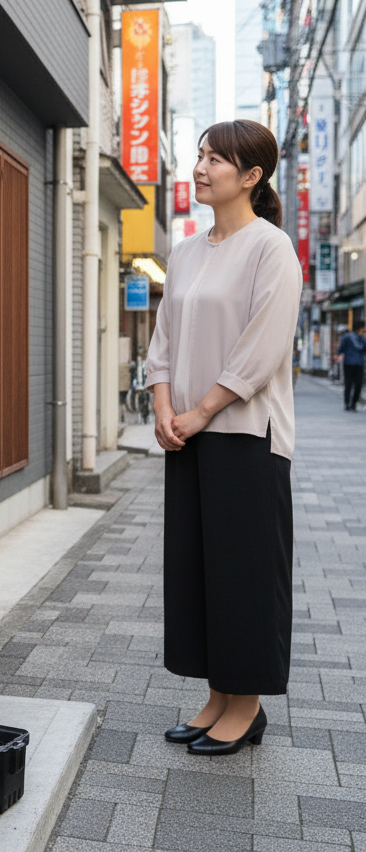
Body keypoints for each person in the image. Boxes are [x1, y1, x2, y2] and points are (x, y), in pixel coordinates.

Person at [146, 120, 302, 755]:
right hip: (187, 432)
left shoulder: (272, 249)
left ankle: (249, 706)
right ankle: (217, 697)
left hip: (245, 435)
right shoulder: (185, 250)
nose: (200, 168)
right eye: (200, 156)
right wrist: (163, 407)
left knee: (244, 573)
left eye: (216, 159)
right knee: (199, 570)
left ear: (252, 176)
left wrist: (201, 409)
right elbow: (163, 338)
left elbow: (260, 350)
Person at [336, 324, 366, 411]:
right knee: (358, 385)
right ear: (359, 329)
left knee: (348, 384)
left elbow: (340, 349)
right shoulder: (362, 339)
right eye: (363, 330)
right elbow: (362, 348)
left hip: (348, 363)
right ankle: (353, 403)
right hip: (359, 364)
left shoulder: (346, 337)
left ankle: (347, 403)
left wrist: (340, 353)